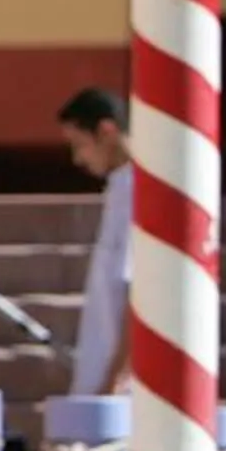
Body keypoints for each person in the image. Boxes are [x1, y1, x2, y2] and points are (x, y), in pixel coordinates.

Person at [57, 86, 133, 395]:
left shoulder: (138, 193)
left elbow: (141, 295)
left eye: (80, 144)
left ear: (106, 132)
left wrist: (113, 379)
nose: (78, 159)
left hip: (122, 391)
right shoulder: (120, 189)